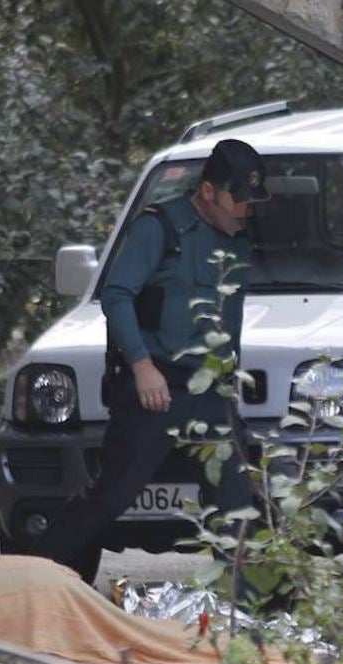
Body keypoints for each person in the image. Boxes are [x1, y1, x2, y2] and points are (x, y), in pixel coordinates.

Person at [36, 139, 270, 585]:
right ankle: (38, 576)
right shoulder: (159, 228)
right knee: (112, 497)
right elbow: (117, 295)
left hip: (211, 390)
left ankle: (251, 610)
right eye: (238, 198)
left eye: (251, 200)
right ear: (207, 191)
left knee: (238, 499)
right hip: (157, 387)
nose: (246, 209)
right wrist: (143, 366)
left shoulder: (239, 237)